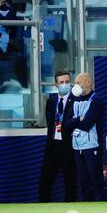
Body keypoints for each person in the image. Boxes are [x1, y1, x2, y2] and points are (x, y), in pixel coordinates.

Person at [65, 73, 107, 201]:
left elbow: (86, 124)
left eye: (79, 82)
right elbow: (66, 123)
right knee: (84, 182)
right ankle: (87, 207)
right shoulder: (74, 100)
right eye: (75, 83)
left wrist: (75, 121)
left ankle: (102, 206)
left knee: (96, 180)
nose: (75, 86)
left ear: (88, 83)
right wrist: (79, 118)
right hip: (77, 146)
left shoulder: (96, 100)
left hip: (92, 146)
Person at [39, 70, 76, 202]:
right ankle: (43, 207)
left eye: (67, 82)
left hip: (69, 146)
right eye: (61, 82)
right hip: (53, 145)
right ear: (56, 84)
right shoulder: (51, 102)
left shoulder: (75, 101)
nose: (65, 84)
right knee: (45, 180)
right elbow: (50, 124)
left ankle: (69, 207)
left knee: (70, 181)